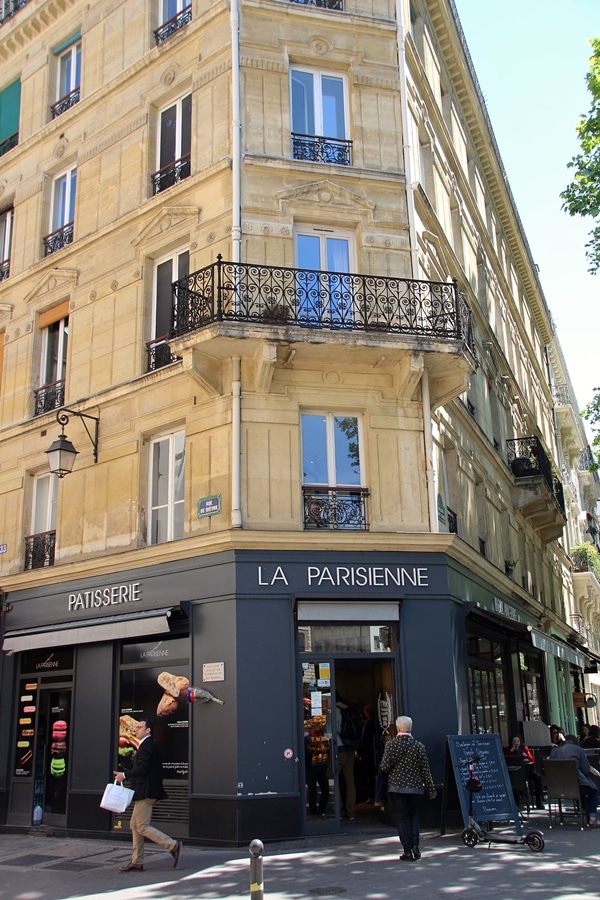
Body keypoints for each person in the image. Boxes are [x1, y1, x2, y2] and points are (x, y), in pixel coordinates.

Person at [114, 719, 182, 871]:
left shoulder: (147, 746)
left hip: (145, 792)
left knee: (141, 826)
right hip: (147, 792)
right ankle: (137, 861)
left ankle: (172, 845)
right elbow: (156, 772)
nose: (135, 730)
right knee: (134, 825)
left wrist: (124, 775)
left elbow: (143, 769)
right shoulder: (150, 745)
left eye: (139, 727)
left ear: (148, 730)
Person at [379, 715, 436, 861]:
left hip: (396, 788)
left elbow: (384, 767)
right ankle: (416, 846)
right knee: (413, 816)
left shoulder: (391, 745)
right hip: (415, 788)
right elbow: (425, 770)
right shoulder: (418, 746)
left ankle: (407, 850)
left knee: (401, 818)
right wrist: (431, 790)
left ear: (398, 728)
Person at [549, 733, 599, 826]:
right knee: (594, 790)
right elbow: (586, 769)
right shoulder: (579, 750)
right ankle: (592, 817)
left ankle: (586, 810)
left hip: (557, 788)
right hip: (575, 787)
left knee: (581, 790)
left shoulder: (554, 751)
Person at [335, 697, 361, 820]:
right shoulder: (347, 710)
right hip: (350, 749)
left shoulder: (334, 711)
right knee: (350, 782)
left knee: (334, 780)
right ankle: (351, 812)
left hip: (339, 749)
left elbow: (334, 730)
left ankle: (338, 812)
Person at [503, 735, 544, 809]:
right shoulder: (508, 749)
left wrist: (525, 755)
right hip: (514, 773)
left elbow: (532, 760)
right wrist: (512, 750)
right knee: (514, 781)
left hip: (526, 771)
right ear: (511, 742)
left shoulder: (524, 748)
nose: (516, 743)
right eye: (514, 741)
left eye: (518, 741)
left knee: (537, 777)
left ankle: (539, 801)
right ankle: (516, 803)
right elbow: (507, 759)